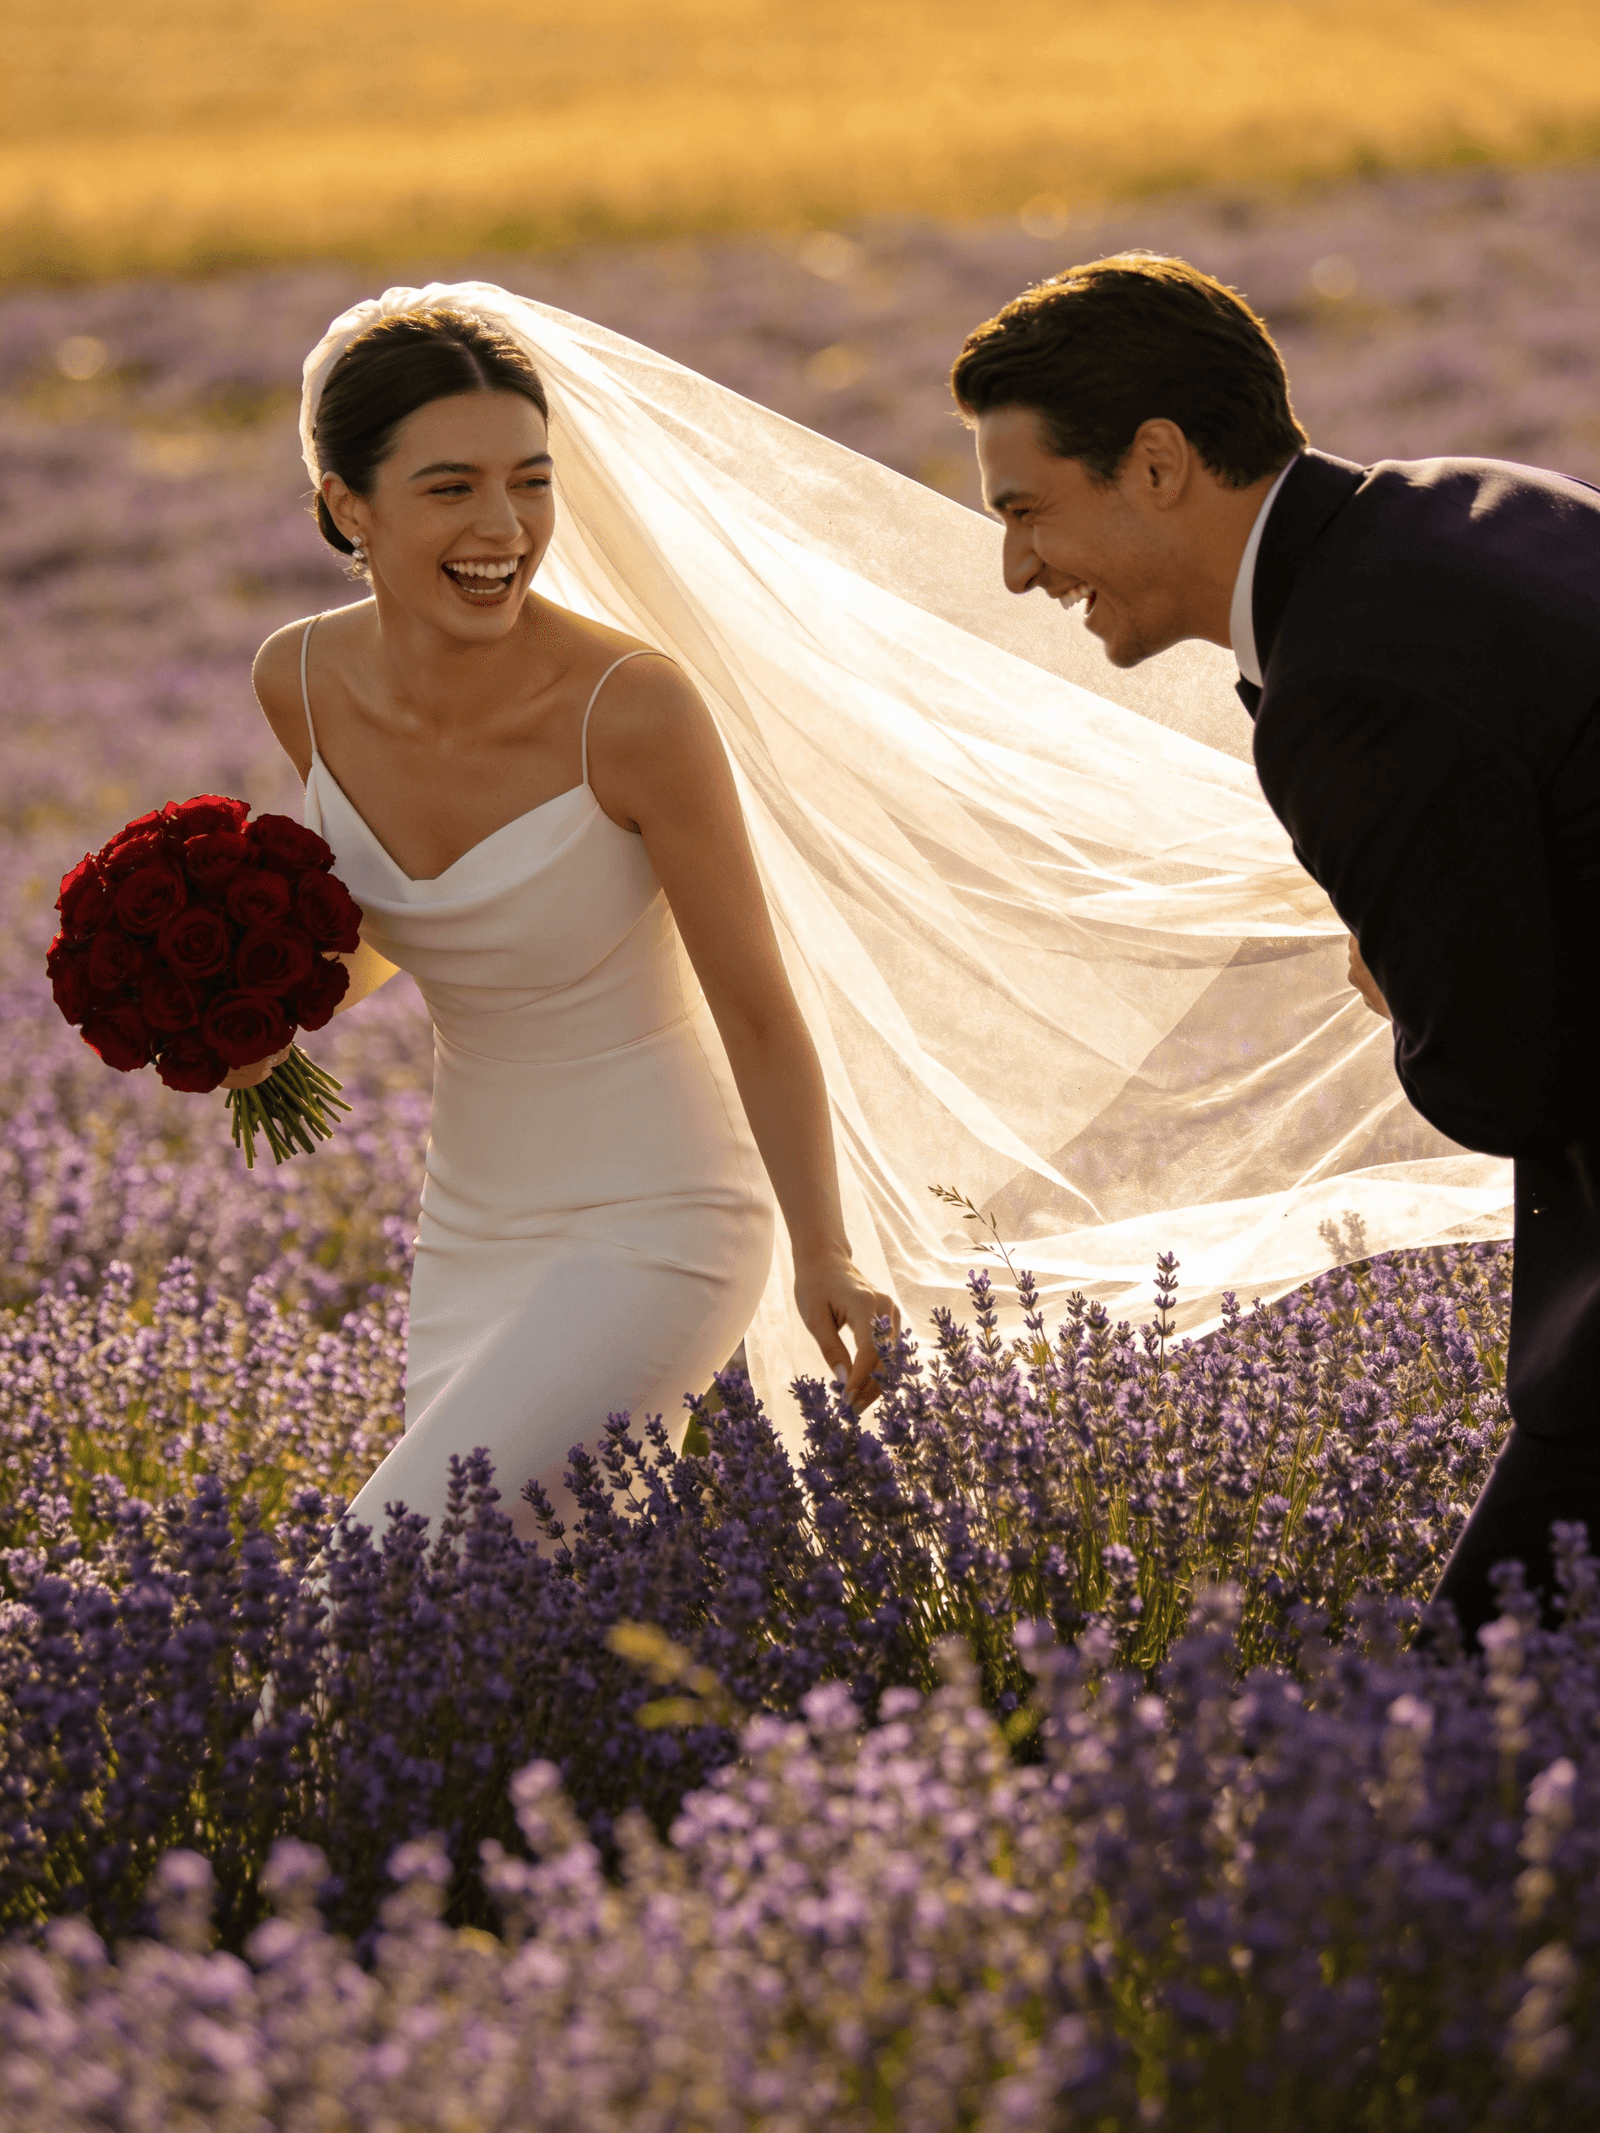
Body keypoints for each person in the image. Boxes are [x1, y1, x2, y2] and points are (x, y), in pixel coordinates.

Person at [950, 251, 1600, 1639]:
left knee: (1476, 1712)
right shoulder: (1471, 501)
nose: (1014, 568)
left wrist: (1395, 981)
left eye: (1026, 509)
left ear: (1160, 461)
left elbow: (1505, 1081)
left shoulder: (1345, 684)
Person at [240, 299, 896, 1541]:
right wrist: (261, 1006)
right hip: (473, 1219)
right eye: (451, 488)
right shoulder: (301, 680)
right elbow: (403, 920)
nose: (503, 529)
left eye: (529, 482)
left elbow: (756, 1008)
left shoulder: (633, 710)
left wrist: (827, 1251)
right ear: (347, 507)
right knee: (512, 1620)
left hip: (661, 1216)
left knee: (382, 1579)